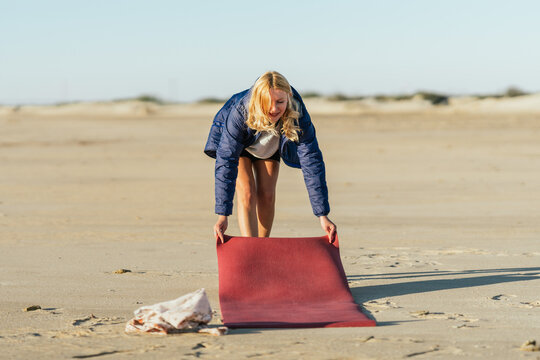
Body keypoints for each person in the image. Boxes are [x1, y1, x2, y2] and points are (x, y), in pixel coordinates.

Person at [204, 71, 337, 243]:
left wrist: (322, 215)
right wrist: (222, 215)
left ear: (288, 96)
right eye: (267, 103)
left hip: (269, 145)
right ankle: (251, 248)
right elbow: (226, 162)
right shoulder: (240, 112)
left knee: (267, 195)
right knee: (247, 191)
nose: (274, 109)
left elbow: (311, 160)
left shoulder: (297, 111)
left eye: (280, 102)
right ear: (258, 100)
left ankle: (262, 246)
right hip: (241, 146)